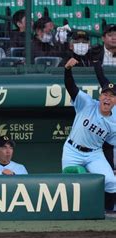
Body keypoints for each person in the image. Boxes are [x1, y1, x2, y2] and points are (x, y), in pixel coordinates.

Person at [63, 58, 116, 213]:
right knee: (71, 184)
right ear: (99, 97)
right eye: (104, 94)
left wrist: (109, 166)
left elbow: (109, 145)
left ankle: (107, 212)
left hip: (94, 154)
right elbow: (71, 87)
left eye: (111, 96)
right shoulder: (86, 103)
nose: (107, 97)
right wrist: (67, 70)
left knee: (111, 182)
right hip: (72, 151)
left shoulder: (114, 120)